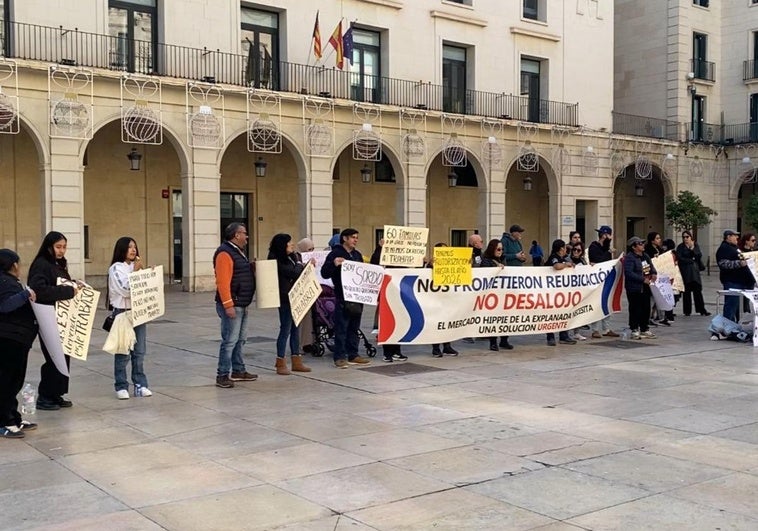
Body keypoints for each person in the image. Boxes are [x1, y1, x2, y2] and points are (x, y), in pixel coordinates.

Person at [27, 231, 77, 410]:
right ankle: (46, 396)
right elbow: (38, 290)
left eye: (64, 247)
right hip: (47, 316)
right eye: (58, 247)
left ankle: (57, 393)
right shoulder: (41, 265)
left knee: (64, 356)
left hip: (61, 317)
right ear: (49, 247)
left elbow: (61, 284)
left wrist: (75, 285)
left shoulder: (58, 264)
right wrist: (68, 291)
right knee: (53, 357)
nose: (62, 251)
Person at [108, 237, 154, 399]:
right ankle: (121, 385)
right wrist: (136, 272)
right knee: (123, 351)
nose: (133, 250)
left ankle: (140, 384)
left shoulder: (136, 267)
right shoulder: (116, 268)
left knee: (139, 351)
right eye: (129, 247)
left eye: (135, 247)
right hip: (122, 312)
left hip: (138, 312)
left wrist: (149, 275)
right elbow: (126, 290)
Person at [213, 223, 258, 388]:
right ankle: (222, 374)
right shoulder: (224, 253)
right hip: (233, 303)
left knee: (240, 339)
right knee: (230, 340)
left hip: (242, 302)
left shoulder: (238, 252)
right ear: (236, 235)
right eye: (244, 233)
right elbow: (222, 282)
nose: (247, 237)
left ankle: (238, 370)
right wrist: (228, 305)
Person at [0, 249, 38, 438]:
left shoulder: (10, 281)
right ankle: (4, 422)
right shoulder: (3, 282)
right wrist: (26, 295)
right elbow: (5, 305)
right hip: (8, 340)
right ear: (13, 265)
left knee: (15, 381)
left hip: (18, 339)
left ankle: (13, 417)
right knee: (6, 382)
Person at [321, 228, 372, 369]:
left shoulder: (357, 255)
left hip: (357, 296)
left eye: (356, 237)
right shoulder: (335, 254)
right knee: (342, 327)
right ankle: (340, 357)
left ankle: (353, 354)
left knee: (354, 327)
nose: (355, 240)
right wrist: (334, 264)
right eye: (353, 237)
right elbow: (324, 273)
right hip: (343, 296)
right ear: (345, 238)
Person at [268, 233, 313, 375]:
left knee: (295, 329)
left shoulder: (293, 257)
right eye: (289, 243)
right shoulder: (276, 259)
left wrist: (301, 264)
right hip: (285, 298)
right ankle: (280, 361)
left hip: (296, 297)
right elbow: (293, 272)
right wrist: (301, 265)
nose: (292, 245)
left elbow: (297, 270)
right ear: (282, 245)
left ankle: (296, 360)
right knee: (285, 329)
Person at [478, 239, 512, 351]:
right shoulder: (485, 260)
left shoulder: (502, 258)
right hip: (491, 294)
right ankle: (493, 342)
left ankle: (504, 340)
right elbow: (485, 273)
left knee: (505, 318)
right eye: (498, 249)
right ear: (492, 248)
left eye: (502, 249)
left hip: (503, 293)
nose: (500, 251)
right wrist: (496, 268)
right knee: (493, 319)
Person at [426, 243, 459, 357]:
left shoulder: (451, 265)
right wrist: (429, 265)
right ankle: (436, 348)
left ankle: (447, 346)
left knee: (447, 322)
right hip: (434, 299)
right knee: (436, 323)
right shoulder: (430, 266)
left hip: (447, 299)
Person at [588, 226, 620, 339]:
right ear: (604, 235)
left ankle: (606, 328)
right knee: (596, 304)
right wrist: (608, 252)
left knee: (606, 302)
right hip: (597, 280)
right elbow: (599, 260)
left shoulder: (606, 248)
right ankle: (595, 329)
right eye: (609, 236)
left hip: (606, 278)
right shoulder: (594, 246)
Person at [544, 239, 577, 346]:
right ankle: (550, 337)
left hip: (561, 293)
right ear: (561, 248)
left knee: (563, 314)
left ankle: (564, 336)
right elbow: (557, 266)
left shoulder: (563, 258)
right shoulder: (554, 257)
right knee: (551, 315)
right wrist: (566, 265)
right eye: (564, 247)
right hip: (550, 292)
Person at [625, 236, 657, 340]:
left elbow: (651, 266)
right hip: (634, 288)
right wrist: (641, 279)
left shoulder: (645, 256)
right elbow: (629, 273)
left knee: (646, 308)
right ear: (634, 247)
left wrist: (653, 273)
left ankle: (644, 328)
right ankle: (634, 329)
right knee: (635, 308)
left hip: (646, 287)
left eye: (642, 243)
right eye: (640, 244)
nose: (642, 245)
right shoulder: (630, 257)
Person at [716, 229, 751, 324]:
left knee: (736, 306)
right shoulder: (724, 248)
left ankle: (735, 325)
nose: (737, 237)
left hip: (740, 281)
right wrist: (739, 263)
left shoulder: (734, 247)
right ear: (728, 237)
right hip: (732, 281)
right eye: (734, 235)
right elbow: (723, 263)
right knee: (731, 305)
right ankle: (728, 326)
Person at [676, 231, 710, 316]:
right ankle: (687, 311)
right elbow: (680, 258)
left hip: (694, 272)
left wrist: (691, 249)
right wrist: (691, 259)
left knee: (697, 291)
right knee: (686, 292)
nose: (685, 239)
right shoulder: (680, 247)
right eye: (683, 237)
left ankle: (701, 309)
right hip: (686, 271)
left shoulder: (695, 245)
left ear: (691, 237)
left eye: (687, 237)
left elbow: (698, 255)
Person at [296, 238, 316, 354]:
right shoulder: (297, 258)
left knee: (313, 319)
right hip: (302, 294)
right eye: (309, 249)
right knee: (304, 320)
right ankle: (303, 344)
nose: (311, 251)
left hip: (312, 290)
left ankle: (310, 342)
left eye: (313, 249)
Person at [644, 232, 669, 326]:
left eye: (659, 238)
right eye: (657, 238)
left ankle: (661, 316)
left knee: (660, 296)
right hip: (652, 276)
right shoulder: (648, 250)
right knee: (652, 298)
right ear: (652, 240)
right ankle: (649, 317)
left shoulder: (660, 249)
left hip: (660, 276)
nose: (659, 240)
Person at [568, 242, 588, 341]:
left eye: (578, 250)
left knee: (577, 312)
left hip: (579, 290)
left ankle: (576, 332)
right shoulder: (567, 259)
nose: (576, 251)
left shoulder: (583, 261)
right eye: (574, 249)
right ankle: (566, 332)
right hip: (568, 290)